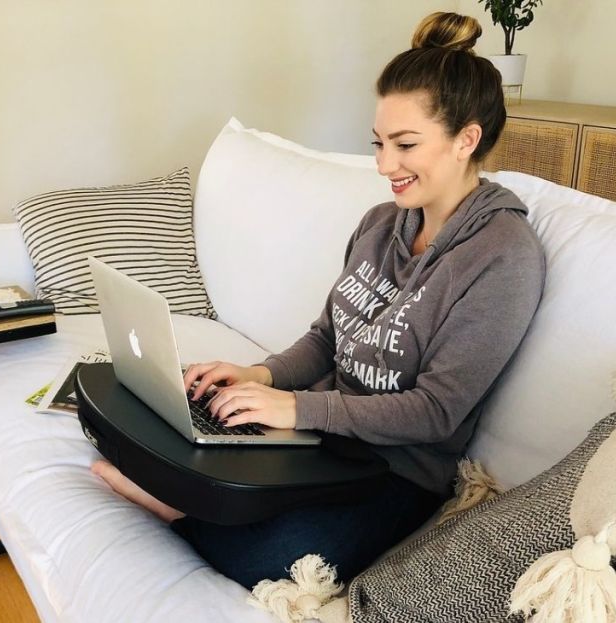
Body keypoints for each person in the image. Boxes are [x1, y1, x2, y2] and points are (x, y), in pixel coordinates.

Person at [90, 11, 546, 589]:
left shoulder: (503, 255)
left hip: (396, 470)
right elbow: (326, 338)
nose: (384, 165)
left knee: (271, 558)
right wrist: (255, 374)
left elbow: (436, 412)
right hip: (320, 439)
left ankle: (180, 507)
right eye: (379, 143)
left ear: (467, 139)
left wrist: (298, 408)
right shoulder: (382, 223)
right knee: (161, 427)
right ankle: (191, 495)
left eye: (405, 145)